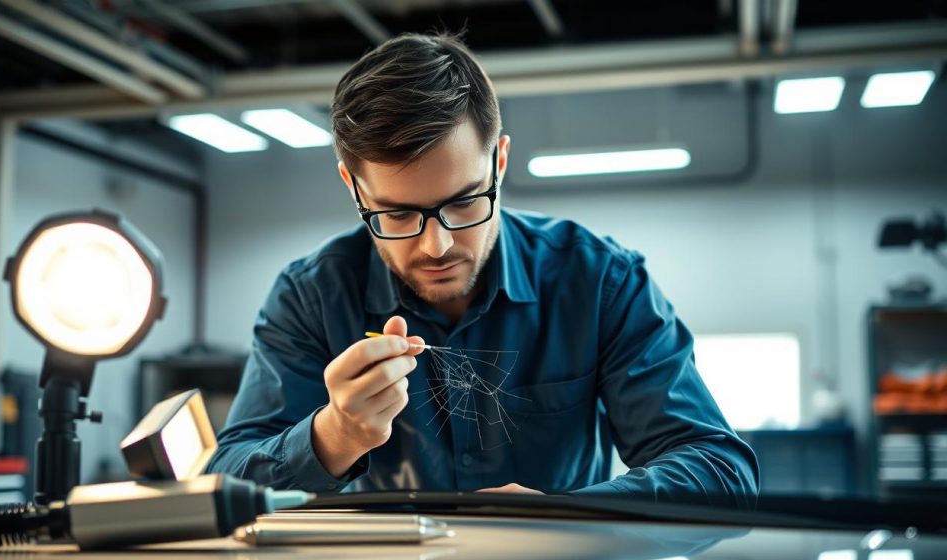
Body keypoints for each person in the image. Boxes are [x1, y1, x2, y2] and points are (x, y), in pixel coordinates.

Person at [207, 32, 759, 509]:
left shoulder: (599, 282)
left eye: (465, 201)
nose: (436, 245)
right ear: (354, 188)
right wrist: (334, 435)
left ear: (498, 161)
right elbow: (220, 482)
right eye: (398, 214)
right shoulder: (310, 298)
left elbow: (720, 469)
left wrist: (569, 517)